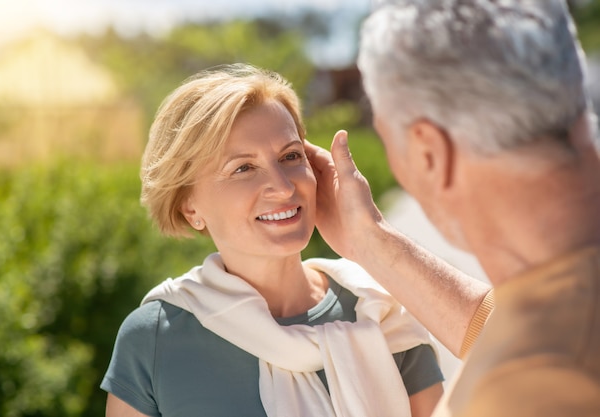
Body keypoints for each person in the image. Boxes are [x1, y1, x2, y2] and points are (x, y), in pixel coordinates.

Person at [305, 0, 600, 416]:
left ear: (428, 152)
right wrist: (369, 241)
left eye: (390, 141)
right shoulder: (565, 324)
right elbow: (530, 321)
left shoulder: (526, 392)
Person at [100, 63, 444, 417]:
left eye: (290, 156)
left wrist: (372, 240)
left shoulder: (383, 314)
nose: (282, 186)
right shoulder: (154, 339)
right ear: (189, 208)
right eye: (243, 168)